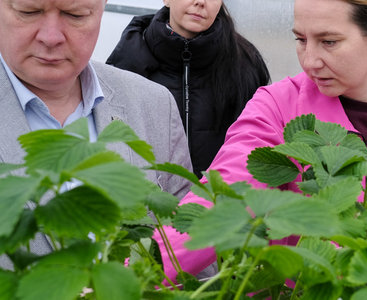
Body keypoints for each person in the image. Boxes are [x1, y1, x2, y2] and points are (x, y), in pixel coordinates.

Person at [151, 0, 367, 281]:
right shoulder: (278, 107)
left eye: (329, 41)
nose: (309, 61)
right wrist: (133, 273)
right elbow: (219, 203)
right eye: (301, 39)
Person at [0, 0, 192, 263]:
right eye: (28, 11)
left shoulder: (153, 105)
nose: (51, 36)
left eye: (75, 14)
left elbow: (191, 253)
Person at [107, 0, 270, 178]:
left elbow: (256, 145)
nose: (200, 2)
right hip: (149, 200)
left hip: (219, 200)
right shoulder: (130, 56)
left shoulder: (245, 63)